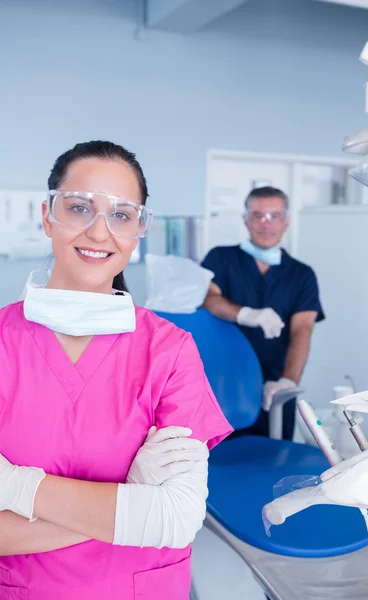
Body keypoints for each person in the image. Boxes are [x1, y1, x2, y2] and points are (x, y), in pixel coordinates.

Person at [0, 141, 232, 599]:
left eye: (121, 215)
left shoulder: (170, 351)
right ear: (48, 216)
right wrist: (130, 497)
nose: (99, 232)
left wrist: (12, 486)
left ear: (138, 231)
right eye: (79, 207)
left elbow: (176, 518)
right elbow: (153, 515)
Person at [201, 186, 324, 440]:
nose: (265, 224)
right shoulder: (221, 258)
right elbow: (209, 298)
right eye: (257, 215)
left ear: (286, 221)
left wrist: (287, 382)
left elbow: (303, 330)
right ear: (245, 220)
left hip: (274, 387)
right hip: (221, 383)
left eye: (274, 215)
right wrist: (245, 314)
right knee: (217, 463)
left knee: (275, 460)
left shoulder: (301, 274)